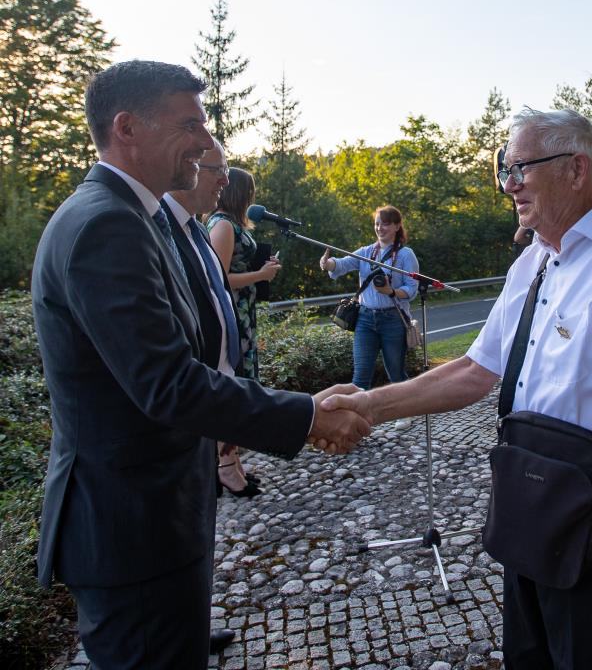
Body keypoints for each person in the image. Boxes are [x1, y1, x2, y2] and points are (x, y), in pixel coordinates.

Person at [321, 108, 592, 669]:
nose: (508, 185)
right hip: (531, 495)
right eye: (504, 170)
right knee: (529, 656)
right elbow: (474, 371)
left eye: (520, 169)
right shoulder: (535, 261)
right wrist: (367, 404)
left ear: (576, 169)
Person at [31, 60, 370, 670]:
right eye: (190, 125)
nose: (206, 142)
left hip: (156, 514)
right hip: (131, 526)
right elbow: (167, 383)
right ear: (127, 128)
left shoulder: (139, 216)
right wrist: (307, 416)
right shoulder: (107, 225)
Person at [165, 144, 256, 500]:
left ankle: (225, 465)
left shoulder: (197, 228)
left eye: (227, 171)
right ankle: (224, 468)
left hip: (219, 373)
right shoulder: (159, 229)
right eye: (217, 170)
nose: (225, 179)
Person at [320, 206, 419, 388]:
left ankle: (406, 407)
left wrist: (391, 291)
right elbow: (342, 264)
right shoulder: (365, 252)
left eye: (385, 224)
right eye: (377, 224)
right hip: (365, 320)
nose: (380, 228)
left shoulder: (406, 254)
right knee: (360, 378)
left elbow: (412, 289)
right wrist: (328, 263)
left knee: (396, 376)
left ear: (397, 226)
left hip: (393, 320)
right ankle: (359, 407)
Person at [207, 168, 280, 382]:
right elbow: (219, 278)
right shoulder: (223, 225)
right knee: (239, 371)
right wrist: (260, 275)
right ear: (238, 193)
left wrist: (262, 265)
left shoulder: (231, 223)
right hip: (234, 308)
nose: (251, 198)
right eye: (249, 192)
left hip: (244, 306)